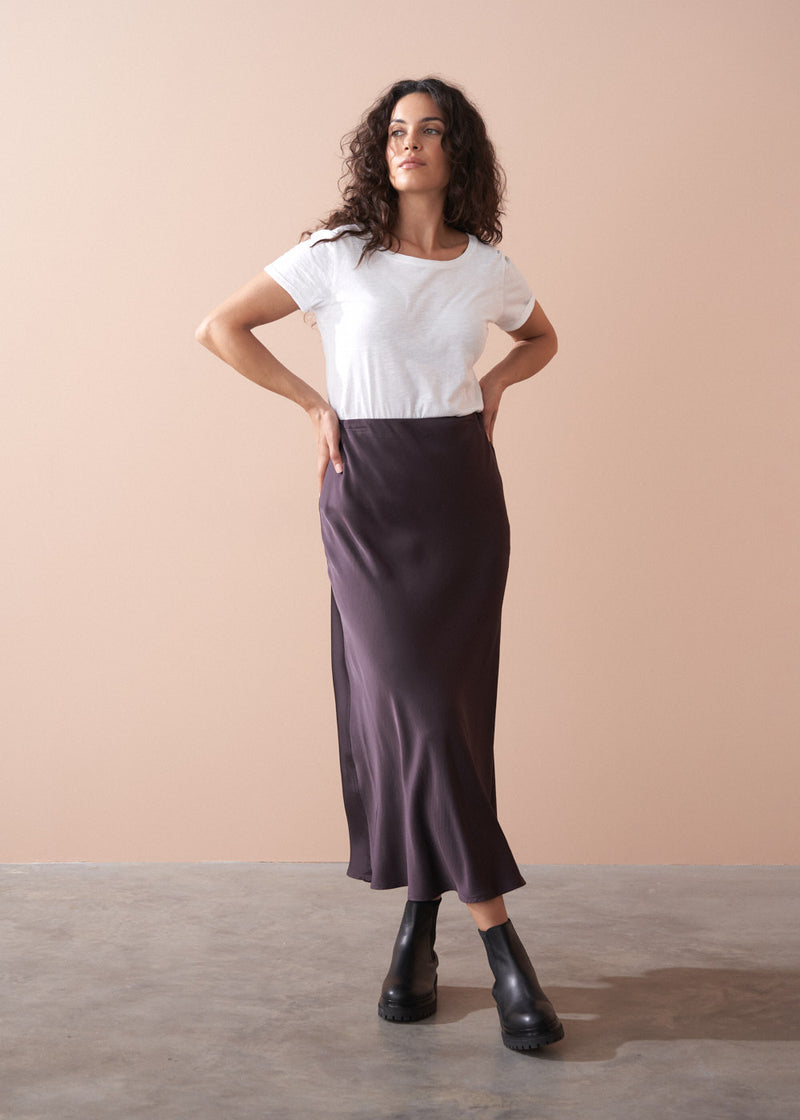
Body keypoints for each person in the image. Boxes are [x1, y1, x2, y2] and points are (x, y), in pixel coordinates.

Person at [195, 76, 563, 1053]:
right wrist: (312, 404)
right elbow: (220, 328)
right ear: (380, 148)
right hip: (368, 495)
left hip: (461, 497)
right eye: (397, 129)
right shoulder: (336, 254)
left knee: (448, 718)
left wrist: (495, 383)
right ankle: (504, 950)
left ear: (457, 152)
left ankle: (417, 931)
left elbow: (541, 338)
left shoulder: (485, 268)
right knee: (415, 709)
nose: (410, 143)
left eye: (430, 130)